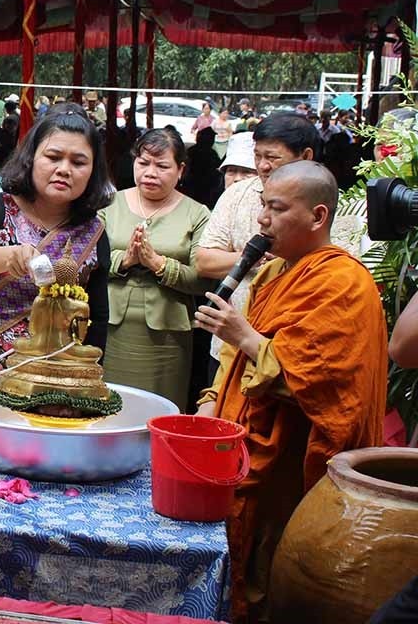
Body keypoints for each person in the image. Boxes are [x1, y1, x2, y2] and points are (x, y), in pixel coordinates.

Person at [194, 161, 387, 624]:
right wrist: (209, 402)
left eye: (277, 208)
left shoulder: (344, 284)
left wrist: (245, 337)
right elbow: (236, 362)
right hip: (247, 441)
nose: (262, 219)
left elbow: (322, 383)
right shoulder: (276, 271)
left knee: (276, 569)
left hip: (295, 459)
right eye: (263, 205)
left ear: (318, 217)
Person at [0, 104, 113, 389]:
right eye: (53, 157)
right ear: (31, 158)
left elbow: (98, 316)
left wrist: (89, 379)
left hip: (59, 370)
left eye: (78, 162)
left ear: (93, 171)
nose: (64, 170)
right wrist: (11, 256)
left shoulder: (93, 231)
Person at [196, 114, 318, 369]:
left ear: (306, 157)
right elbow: (204, 260)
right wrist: (255, 258)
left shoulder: (331, 204)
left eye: (272, 158)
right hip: (227, 348)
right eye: (257, 156)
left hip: (292, 357)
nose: (262, 166)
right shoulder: (236, 195)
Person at [100, 129, 211, 410]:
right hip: (111, 327)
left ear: (180, 170)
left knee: (160, 409)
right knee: (109, 405)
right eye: (143, 162)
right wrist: (124, 261)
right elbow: (87, 262)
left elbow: (204, 279)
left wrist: (159, 265)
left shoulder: (197, 213)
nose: (150, 172)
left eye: (162, 166)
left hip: (168, 334)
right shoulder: (108, 205)